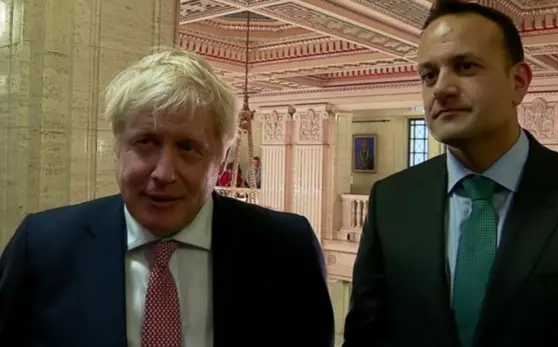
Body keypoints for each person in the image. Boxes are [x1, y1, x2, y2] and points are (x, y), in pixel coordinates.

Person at [343, 2, 558, 347]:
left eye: (465, 66)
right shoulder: (391, 201)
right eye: (429, 75)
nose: (440, 88)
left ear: (518, 82)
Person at [0, 48, 334, 347]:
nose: (163, 173)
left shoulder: (287, 249)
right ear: (117, 148)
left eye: (188, 147)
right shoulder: (43, 246)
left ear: (222, 157)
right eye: (145, 142)